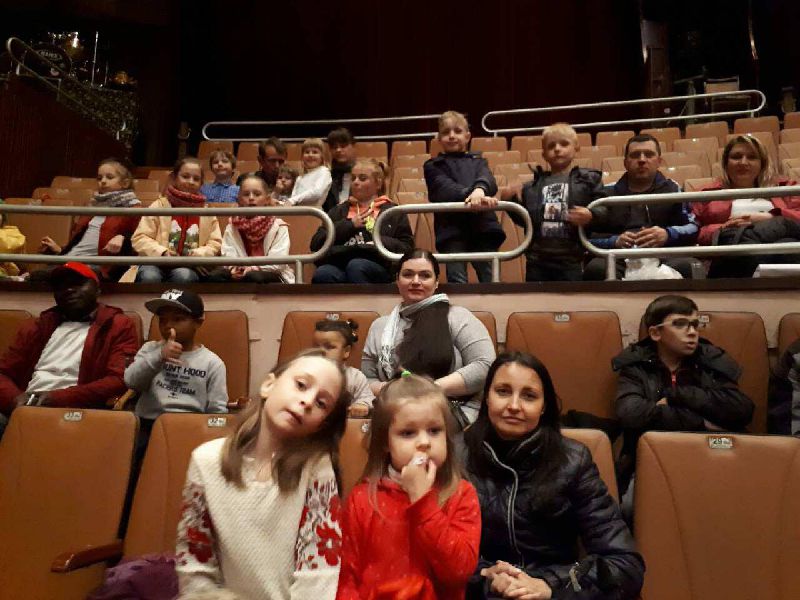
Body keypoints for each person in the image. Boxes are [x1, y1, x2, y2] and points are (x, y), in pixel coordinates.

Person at [464, 352, 645, 599]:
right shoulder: (455, 457)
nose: (514, 406)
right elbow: (430, 551)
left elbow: (624, 564)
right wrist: (484, 576)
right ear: (486, 397)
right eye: (503, 392)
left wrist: (549, 585)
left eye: (529, 396)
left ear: (544, 407)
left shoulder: (573, 461)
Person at [174, 349, 350, 599]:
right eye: (301, 385)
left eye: (322, 403)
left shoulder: (317, 469)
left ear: (321, 424)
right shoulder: (205, 460)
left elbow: (319, 575)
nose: (308, 401)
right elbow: (194, 565)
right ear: (269, 385)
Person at [337, 374, 481, 599]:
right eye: (408, 433)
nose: (424, 442)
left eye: (434, 430)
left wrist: (423, 502)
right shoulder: (362, 498)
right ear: (385, 442)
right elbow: (347, 578)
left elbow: (459, 571)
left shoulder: (461, 494)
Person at [612, 295, 754, 493]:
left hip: (711, 460)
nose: (692, 332)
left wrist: (676, 396)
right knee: (630, 503)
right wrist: (702, 423)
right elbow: (631, 414)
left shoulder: (710, 361)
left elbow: (742, 409)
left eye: (695, 324)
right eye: (680, 324)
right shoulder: (637, 366)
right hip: (651, 461)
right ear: (655, 333)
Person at [361, 249, 496, 426]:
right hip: (395, 415)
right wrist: (396, 391)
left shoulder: (458, 317)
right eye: (408, 274)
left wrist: (428, 390)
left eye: (425, 275)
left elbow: (485, 365)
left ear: (436, 282)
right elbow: (367, 380)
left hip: (453, 415)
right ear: (397, 280)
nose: (416, 281)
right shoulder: (380, 326)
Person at [0, 262, 139, 434]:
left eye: (78, 283)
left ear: (97, 289)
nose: (69, 290)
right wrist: (15, 400)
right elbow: (3, 373)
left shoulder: (117, 325)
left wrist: (56, 398)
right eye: (61, 286)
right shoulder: (38, 325)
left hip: (78, 411)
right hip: (25, 408)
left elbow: (119, 379)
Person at [500, 122, 607, 281]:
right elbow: (524, 220)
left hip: (571, 258)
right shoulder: (532, 186)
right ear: (543, 154)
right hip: (537, 260)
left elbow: (603, 208)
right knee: (537, 296)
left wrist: (591, 215)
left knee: (570, 295)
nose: (557, 149)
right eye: (551, 146)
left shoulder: (588, 180)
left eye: (564, 144)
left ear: (576, 148)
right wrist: (510, 200)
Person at [584, 134, 698, 280]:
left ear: (659, 161)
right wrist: (614, 241)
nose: (642, 160)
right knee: (596, 269)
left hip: (664, 253)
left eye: (649, 155)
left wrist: (667, 234)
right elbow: (588, 237)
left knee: (687, 266)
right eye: (635, 155)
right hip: (618, 256)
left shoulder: (673, 189)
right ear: (625, 163)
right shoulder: (607, 194)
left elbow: (693, 228)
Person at [124, 288, 228, 448]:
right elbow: (131, 381)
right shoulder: (150, 349)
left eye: (178, 319)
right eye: (162, 320)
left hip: (191, 427)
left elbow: (217, 410)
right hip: (149, 424)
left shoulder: (212, 363)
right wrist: (159, 356)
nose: (168, 326)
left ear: (198, 322)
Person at [694, 134, 800, 277]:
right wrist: (724, 227)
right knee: (736, 241)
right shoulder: (706, 194)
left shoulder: (785, 188)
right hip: (733, 251)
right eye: (736, 157)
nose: (743, 162)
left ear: (762, 163)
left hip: (775, 247)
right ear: (726, 163)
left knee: (787, 241)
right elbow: (694, 232)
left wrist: (769, 217)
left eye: (752, 157)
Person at [424, 110, 504, 284]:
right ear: (439, 139)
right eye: (446, 132)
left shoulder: (479, 161)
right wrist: (475, 195)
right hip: (452, 230)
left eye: (458, 131)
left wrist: (480, 190)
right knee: (457, 279)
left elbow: (488, 180)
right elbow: (444, 188)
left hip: (482, 227)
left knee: (490, 278)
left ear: (468, 136)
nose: (452, 136)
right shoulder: (432, 165)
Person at [310, 158, 413, 284]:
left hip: (378, 266)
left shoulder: (392, 211)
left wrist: (378, 242)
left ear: (378, 183)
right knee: (323, 273)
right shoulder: (338, 211)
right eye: (353, 178)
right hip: (340, 263)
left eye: (362, 179)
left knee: (356, 266)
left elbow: (407, 247)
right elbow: (316, 243)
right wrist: (350, 225)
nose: (356, 182)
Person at [37, 158, 141, 282]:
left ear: (125, 183)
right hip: (70, 261)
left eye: (109, 177)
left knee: (42, 276)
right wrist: (59, 249)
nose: (103, 181)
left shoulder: (133, 208)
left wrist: (123, 238)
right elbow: (84, 243)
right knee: (37, 275)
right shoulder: (92, 207)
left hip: (100, 267)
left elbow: (139, 241)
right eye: (99, 178)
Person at [129, 157, 222, 283]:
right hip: (155, 261)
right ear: (174, 178)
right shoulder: (159, 205)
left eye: (196, 179)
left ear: (201, 183)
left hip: (188, 266)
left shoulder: (207, 212)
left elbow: (215, 243)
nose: (191, 182)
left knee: (184, 276)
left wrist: (198, 254)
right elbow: (140, 238)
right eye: (185, 176)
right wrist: (163, 253)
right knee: (150, 276)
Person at [206, 175, 294, 284]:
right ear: (238, 200)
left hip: (271, 273)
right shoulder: (232, 226)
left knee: (253, 277)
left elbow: (278, 263)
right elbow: (228, 254)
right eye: (246, 194)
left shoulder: (279, 226)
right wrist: (235, 268)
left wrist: (252, 268)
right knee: (215, 277)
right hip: (239, 271)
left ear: (267, 199)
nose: (251, 198)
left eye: (257, 194)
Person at [312, 318, 373, 416]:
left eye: (329, 347)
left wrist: (362, 405)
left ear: (346, 351)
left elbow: (367, 399)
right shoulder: (306, 373)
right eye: (316, 347)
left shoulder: (355, 377)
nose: (321, 351)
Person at [287, 138, 332, 207]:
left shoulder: (324, 171)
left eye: (315, 152)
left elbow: (317, 193)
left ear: (322, 156)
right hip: (297, 212)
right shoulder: (300, 177)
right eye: (307, 152)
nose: (310, 155)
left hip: (313, 212)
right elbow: (293, 199)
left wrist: (293, 200)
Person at [323, 127, 357, 211]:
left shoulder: (364, 175)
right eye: (334, 147)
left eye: (343, 146)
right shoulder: (326, 176)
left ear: (353, 146)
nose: (338, 150)